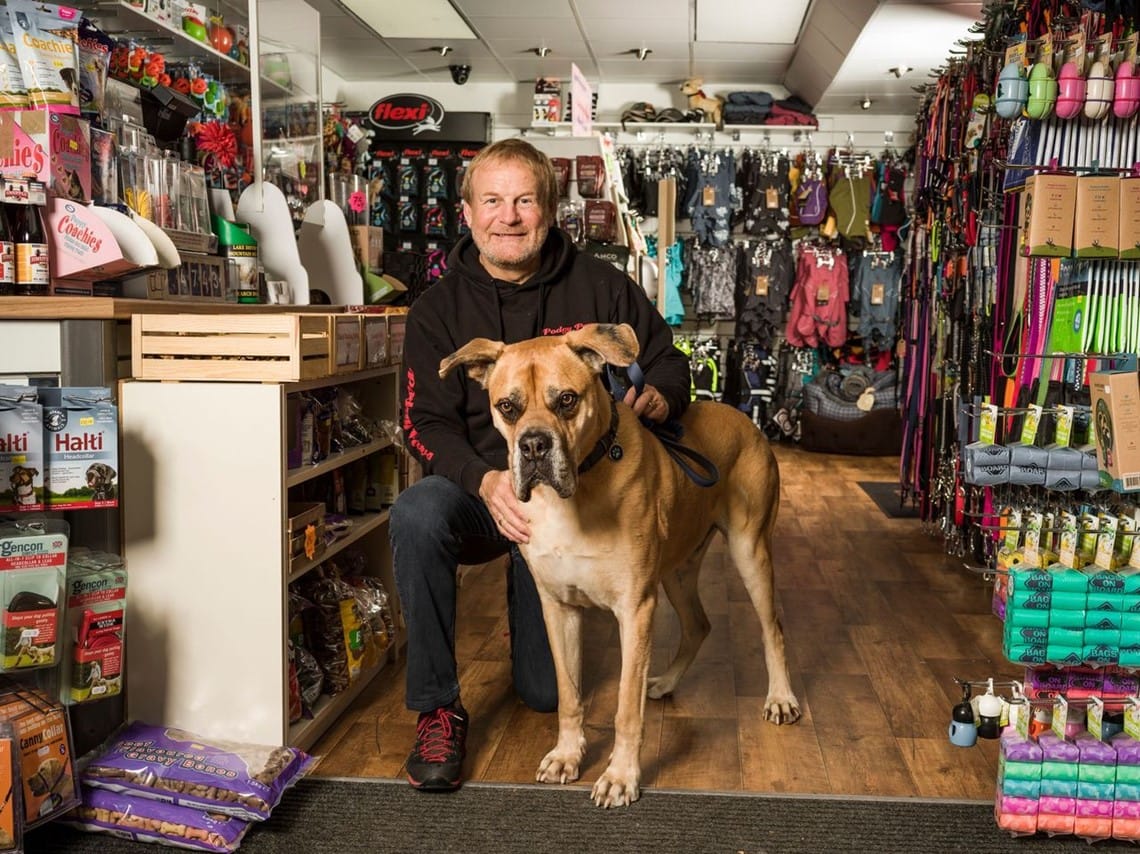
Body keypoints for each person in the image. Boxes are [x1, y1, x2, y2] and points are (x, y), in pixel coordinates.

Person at [392, 137, 691, 792]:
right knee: (416, 514)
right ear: (467, 214)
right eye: (492, 201)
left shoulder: (601, 287)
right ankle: (437, 706)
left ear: (551, 209)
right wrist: (485, 479)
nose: (509, 216)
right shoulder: (437, 311)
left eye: (525, 200)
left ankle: (530, 597)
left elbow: (669, 359)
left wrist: (657, 395)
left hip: (579, 495)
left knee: (541, 694)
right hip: (487, 490)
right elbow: (424, 422)